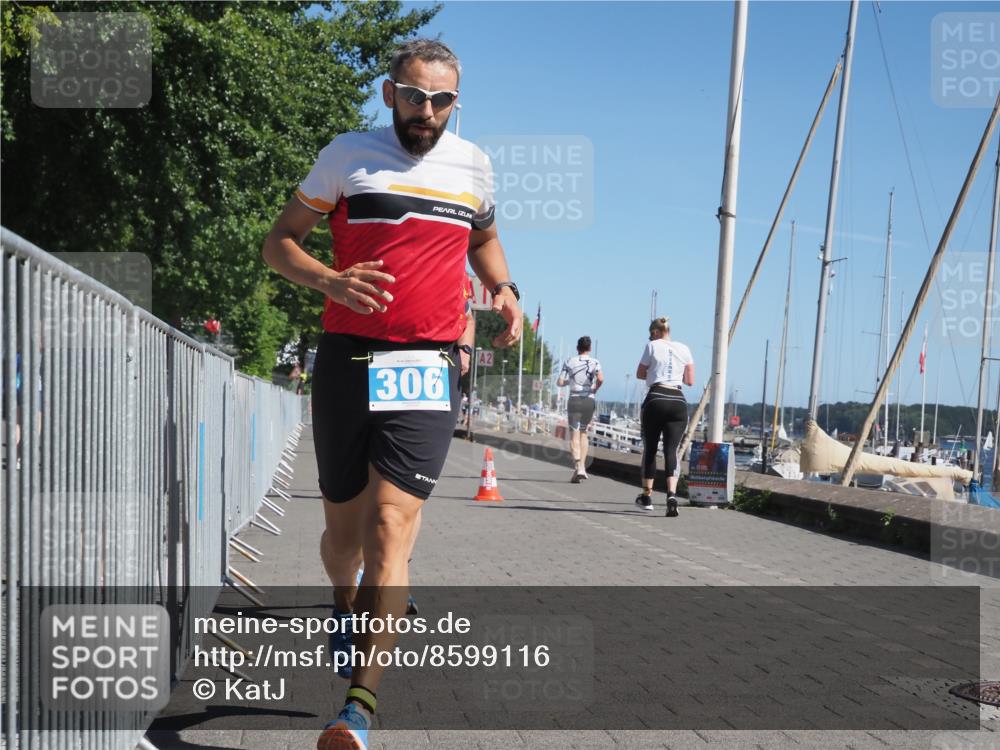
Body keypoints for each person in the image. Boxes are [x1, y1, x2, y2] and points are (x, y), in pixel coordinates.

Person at [261, 38, 521, 750]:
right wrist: (329, 281)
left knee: (390, 528)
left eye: (441, 101)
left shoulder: (473, 165)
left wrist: (504, 287)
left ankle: (359, 708)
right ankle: (342, 605)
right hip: (348, 358)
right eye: (414, 96)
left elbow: (485, 237)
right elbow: (279, 242)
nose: (426, 111)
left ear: (455, 105)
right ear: (389, 94)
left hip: (430, 361)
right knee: (342, 537)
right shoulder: (348, 154)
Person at [635, 317, 694, 515]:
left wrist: (654, 372)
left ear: (656, 332)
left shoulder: (651, 346)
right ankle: (671, 495)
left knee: (650, 449)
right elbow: (690, 380)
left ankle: (647, 497)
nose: (650, 336)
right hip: (678, 400)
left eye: (651, 333)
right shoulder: (684, 348)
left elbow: (640, 374)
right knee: (672, 451)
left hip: (656, 398)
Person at [557, 336, 603, 482]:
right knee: (584, 434)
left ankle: (579, 466)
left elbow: (559, 382)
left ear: (578, 348)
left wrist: (567, 382)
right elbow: (601, 379)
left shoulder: (570, 361)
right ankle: (579, 470)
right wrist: (594, 388)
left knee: (574, 435)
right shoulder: (596, 362)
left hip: (575, 400)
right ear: (589, 348)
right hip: (589, 400)